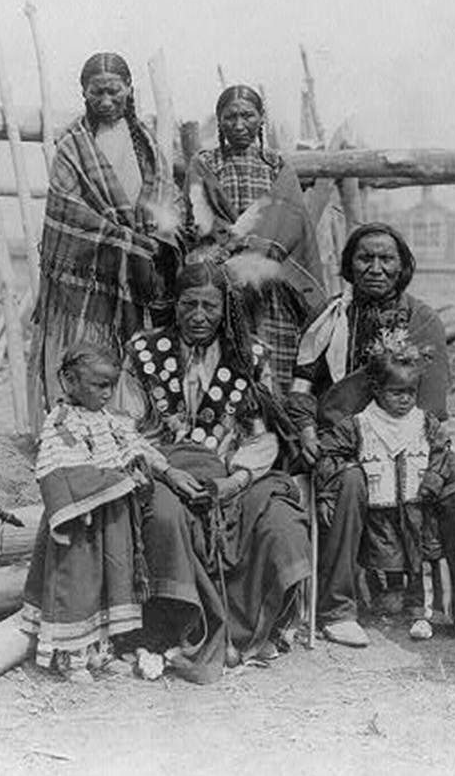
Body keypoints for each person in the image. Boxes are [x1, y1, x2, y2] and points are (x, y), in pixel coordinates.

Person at [288, 222, 455, 648]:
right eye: (365, 258)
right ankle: (338, 609)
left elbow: (430, 409)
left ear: (403, 267)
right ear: (349, 265)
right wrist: (306, 427)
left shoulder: (423, 320)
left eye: (386, 259)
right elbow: (302, 384)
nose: (376, 268)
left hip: (412, 437)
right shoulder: (329, 318)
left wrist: (407, 453)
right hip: (344, 438)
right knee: (348, 481)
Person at [113, 260, 311, 682]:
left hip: (230, 472)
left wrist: (233, 481)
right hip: (161, 467)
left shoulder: (249, 357)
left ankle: (256, 627)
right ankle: (177, 628)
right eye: (189, 304)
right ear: (175, 304)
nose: (199, 316)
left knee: (279, 519)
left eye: (210, 306)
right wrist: (167, 472)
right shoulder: (144, 352)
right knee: (164, 516)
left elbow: (261, 437)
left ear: (226, 308)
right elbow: (124, 428)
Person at [29, 51, 180, 437]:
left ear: (129, 88)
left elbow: (165, 201)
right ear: (84, 92)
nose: (107, 100)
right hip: (86, 280)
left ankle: (126, 432)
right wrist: (124, 240)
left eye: (114, 90)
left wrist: (154, 241)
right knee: (82, 353)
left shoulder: (147, 145)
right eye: (97, 92)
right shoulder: (72, 145)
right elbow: (67, 210)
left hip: (138, 274)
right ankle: (73, 434)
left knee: (132, 355)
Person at [315, 334, 455, 642]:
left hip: (417, 509)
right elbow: (329, 454)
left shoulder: (424, 423)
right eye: (396, 392)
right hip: (378, 515)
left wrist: (434, 478)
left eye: (410, 392)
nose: (404, 400)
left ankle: (446, 612)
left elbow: (442, 451)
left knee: (424, 556)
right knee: (384, 559)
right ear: (377, 390)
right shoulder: (359, 425)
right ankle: (347, 610)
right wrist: (328, 491)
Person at [21, 342, 168, 682]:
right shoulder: (61, 422)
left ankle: (99, 652)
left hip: (111, 520)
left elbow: (129, 446)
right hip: (80, 523)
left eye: (111, 386)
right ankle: (70, 658)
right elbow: (61, 472)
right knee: (78, 586)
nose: (107, 394)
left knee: (107, 583)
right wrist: (118, 480)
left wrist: (140, 468)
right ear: (71, 382)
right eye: (99, 385)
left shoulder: (107, 419)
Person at [185, 84, 325, 395]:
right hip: (222, 274)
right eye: (230, 117)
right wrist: (234, 247)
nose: (239, 124)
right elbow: (199, 214)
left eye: (247, 116)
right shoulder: (205, 163)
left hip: (270, 279)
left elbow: (291, 218)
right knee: (222, 360)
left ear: (261, 118)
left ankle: (275, 415)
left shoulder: (277, 165)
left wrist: (257, 248)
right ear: (219, 120)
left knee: (272, 360)